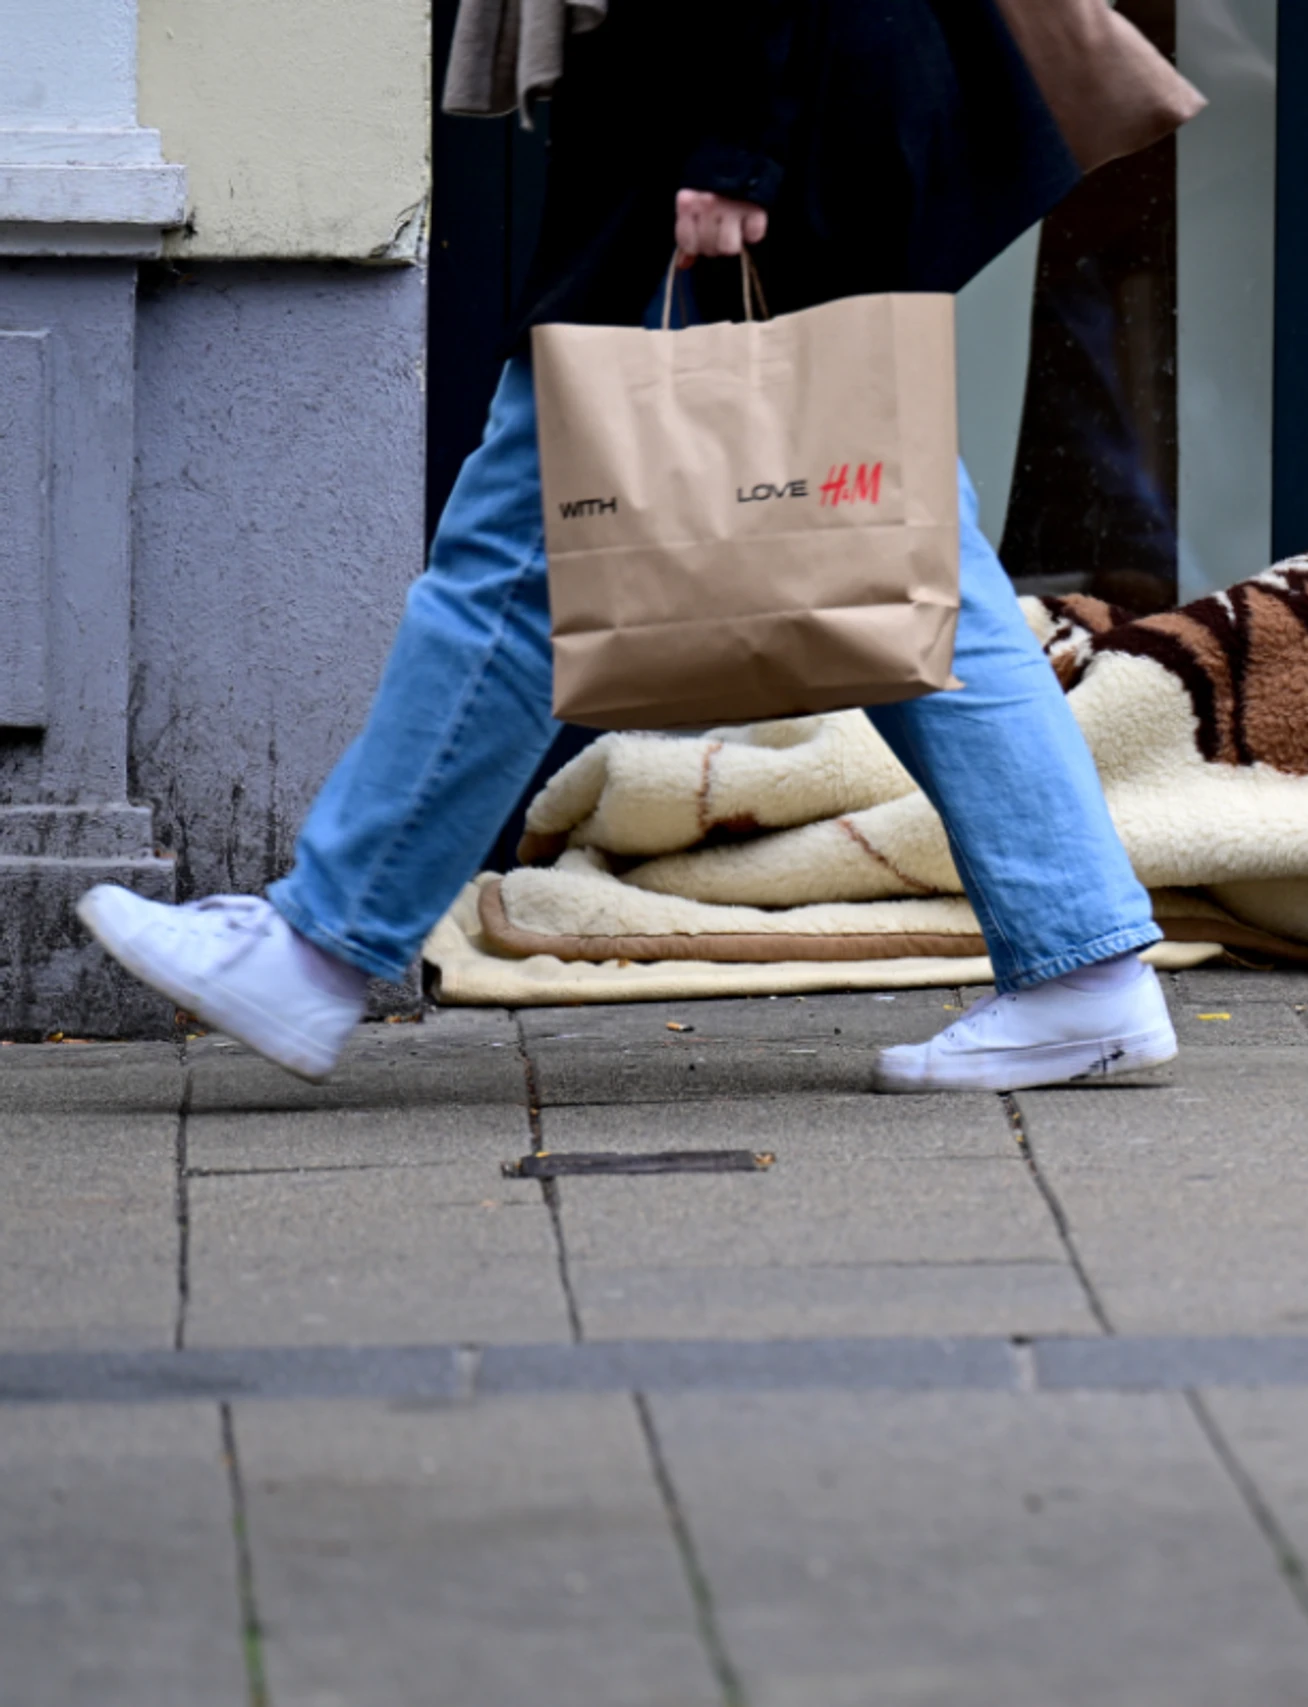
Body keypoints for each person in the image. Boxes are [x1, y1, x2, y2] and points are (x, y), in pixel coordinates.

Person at [76, 0, 1177, 1094]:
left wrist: (738, 147)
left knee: (521, 556)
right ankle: (1080, 958)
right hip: (789, 92)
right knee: (900, 549)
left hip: (732, 106)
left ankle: (315, 947)